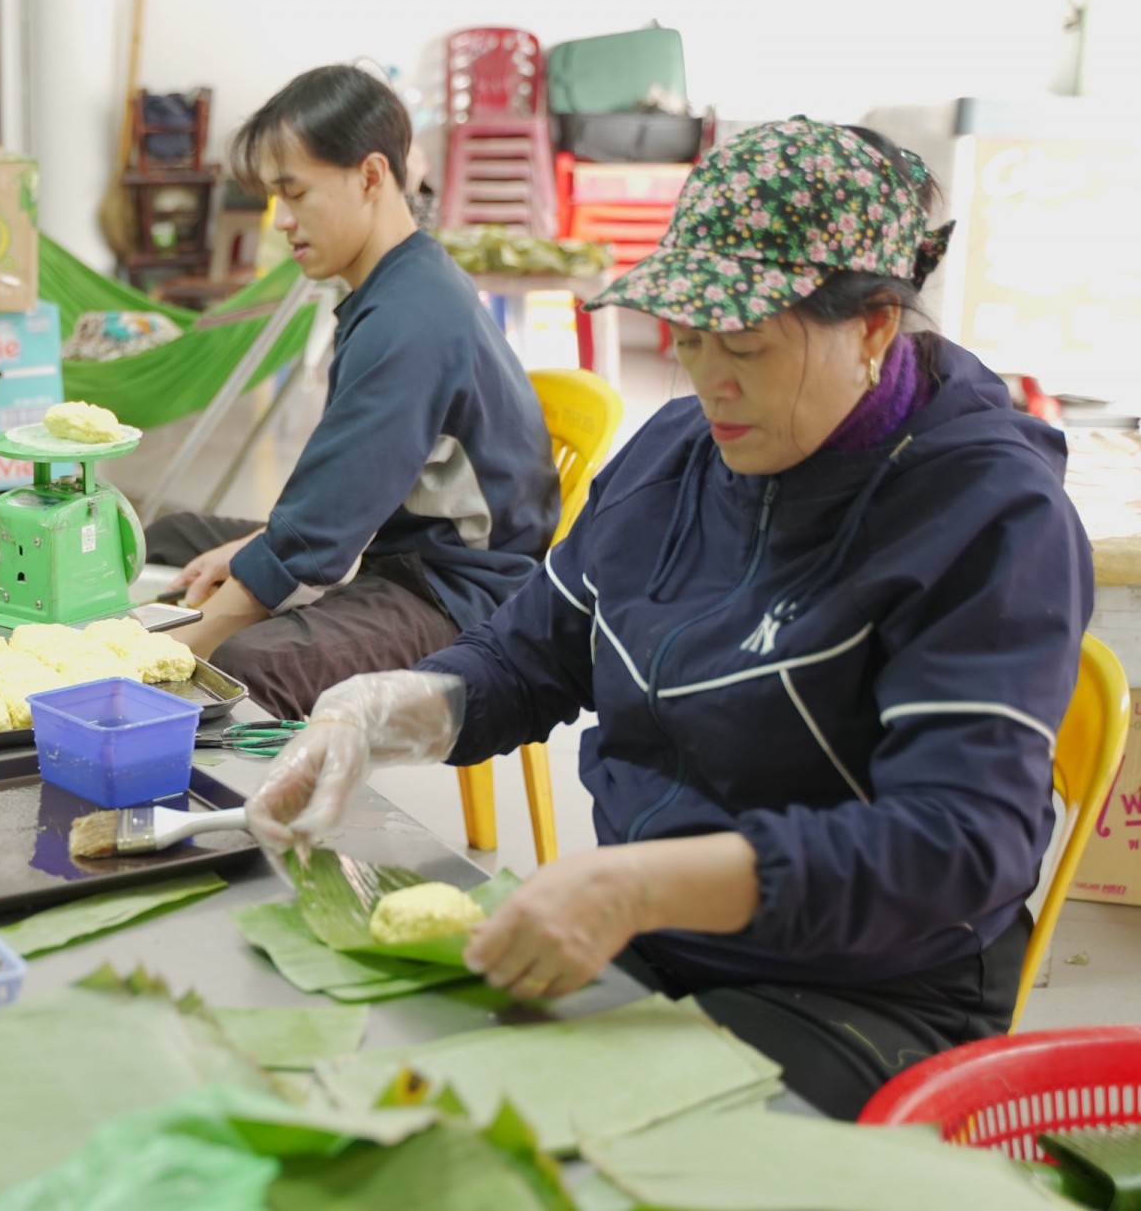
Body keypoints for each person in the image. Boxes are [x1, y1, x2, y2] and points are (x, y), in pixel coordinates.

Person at [247, 118, 1093, 1119]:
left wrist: (642, 886)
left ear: (873, 327)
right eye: (686, 340)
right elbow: (529, 655)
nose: (706, 381)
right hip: (655, 940)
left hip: (859, 989)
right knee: (394, 1081)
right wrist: (387, 709)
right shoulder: (681, 452)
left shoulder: (987, 515)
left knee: (571, 1137)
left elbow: (956, 844)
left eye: (745, 347)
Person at [152, 64, 559, 720]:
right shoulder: (395, 284)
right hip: (392, 550)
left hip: (453, 592)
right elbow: (341, 502)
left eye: (295, 194)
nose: (282, 220)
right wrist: (252, 557)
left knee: (241, 667)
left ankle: (225, 787)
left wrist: (165, 657)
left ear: (371, 176)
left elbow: (318, 538)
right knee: (174, 540)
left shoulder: (409, 321)